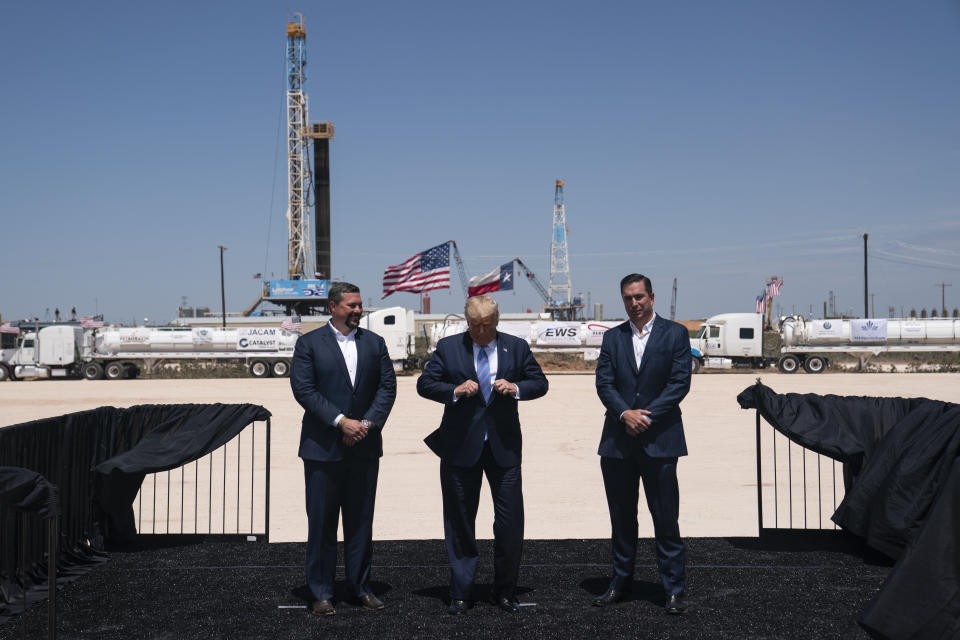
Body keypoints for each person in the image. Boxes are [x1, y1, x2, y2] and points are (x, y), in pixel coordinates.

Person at [417, 295, 548, 615]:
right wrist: (454, 391)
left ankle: (505, 590)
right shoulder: (449, 348)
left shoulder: (515, 347)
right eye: (475, 325)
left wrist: (516, 388)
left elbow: (540, 383)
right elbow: (425, 384)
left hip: (504, 450)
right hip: (461, 448)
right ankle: (461, 592)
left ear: (497, 321)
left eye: (487, 325)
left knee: (510, 524)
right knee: (460, 522)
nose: (481, 331)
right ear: (467, 321)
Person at [290, 282, 397, 617]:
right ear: (332, 306)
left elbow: (387, 387)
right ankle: (321, 592)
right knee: (321, 525)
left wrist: (365, 424)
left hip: (364, 448)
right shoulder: (309, 344)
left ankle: (360, 587)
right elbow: (304, 390)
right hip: (322, 450)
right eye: (351, 305)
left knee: (360, 522)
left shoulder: (375, 343)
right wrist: (340, 422)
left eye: (360, 305)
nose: (357, 311)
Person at [593, 273, 692, 614]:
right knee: (622, 518)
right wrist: (624, 414)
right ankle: (621, 581)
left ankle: (674, 589)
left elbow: (679, 384)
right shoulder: (613, 338)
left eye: (639, 297)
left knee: (665, 518)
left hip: (661, 440)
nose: (633, 303)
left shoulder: (676, 333)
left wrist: (644, 416)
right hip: (618, 444)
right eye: (627, 298)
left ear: (651, 296)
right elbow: (604, 384)